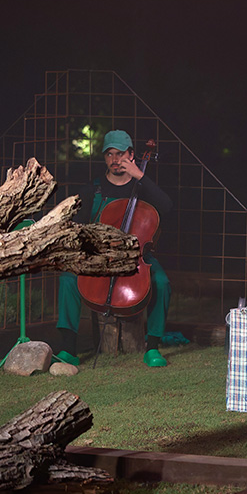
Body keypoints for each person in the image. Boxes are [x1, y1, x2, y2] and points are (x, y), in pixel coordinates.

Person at [56, 130, 174, 368]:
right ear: (104, 158)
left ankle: (152, 347)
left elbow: (167, 207)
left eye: (120, 154)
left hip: (137, 255)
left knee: (161, 282)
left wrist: (140, 176)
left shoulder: (142, 187)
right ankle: (68, 349)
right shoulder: (94, 189)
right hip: (100, 254)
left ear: (131, 155)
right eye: (110, 154)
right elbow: (77, 224)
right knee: (68, 279)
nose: (115, 159)